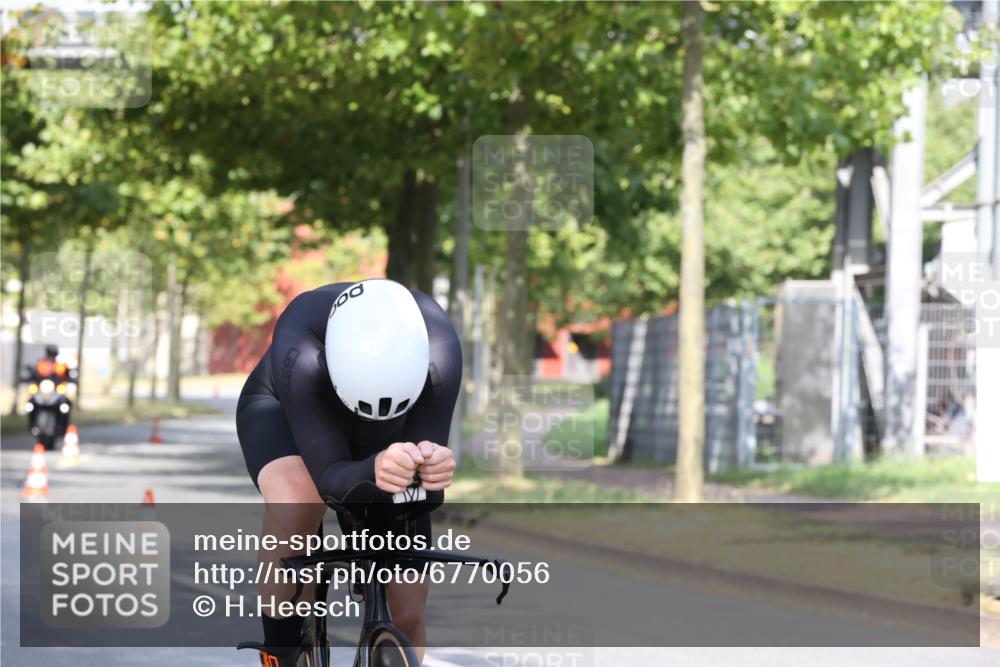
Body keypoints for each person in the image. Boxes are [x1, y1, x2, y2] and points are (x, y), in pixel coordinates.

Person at [235, 278, 461, 666]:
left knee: (407, 608)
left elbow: (422, 497)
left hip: (390, 436)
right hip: (286, 412)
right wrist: (374, 469)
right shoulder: (301, 337)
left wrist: (432, 472)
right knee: (298, 502)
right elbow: (328, 480)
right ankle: (283, 652)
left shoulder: (440, 345)